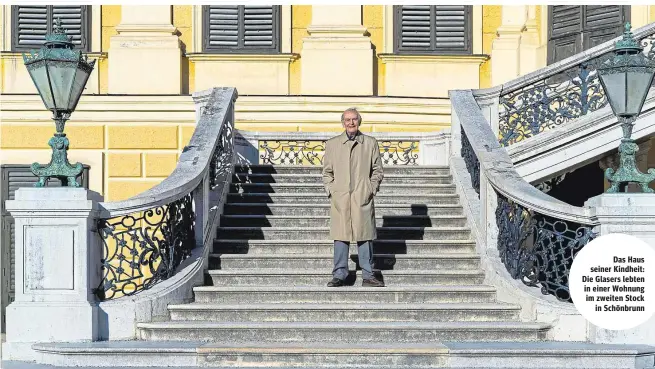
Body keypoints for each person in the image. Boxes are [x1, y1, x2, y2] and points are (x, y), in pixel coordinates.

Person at [322, 107, 385, 287]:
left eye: (354, 119)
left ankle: (368, 274)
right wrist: (332, 191)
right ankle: (340, 274)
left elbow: (377, 170)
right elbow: (327, 172)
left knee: (365, 236)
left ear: (359, 121)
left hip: (361, 195)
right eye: (348, 120)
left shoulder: (370, 143)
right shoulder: (333, 144)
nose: (351, 123)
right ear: (343, 123)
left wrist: (370, 189)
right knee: (340, 236)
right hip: (340, 197)